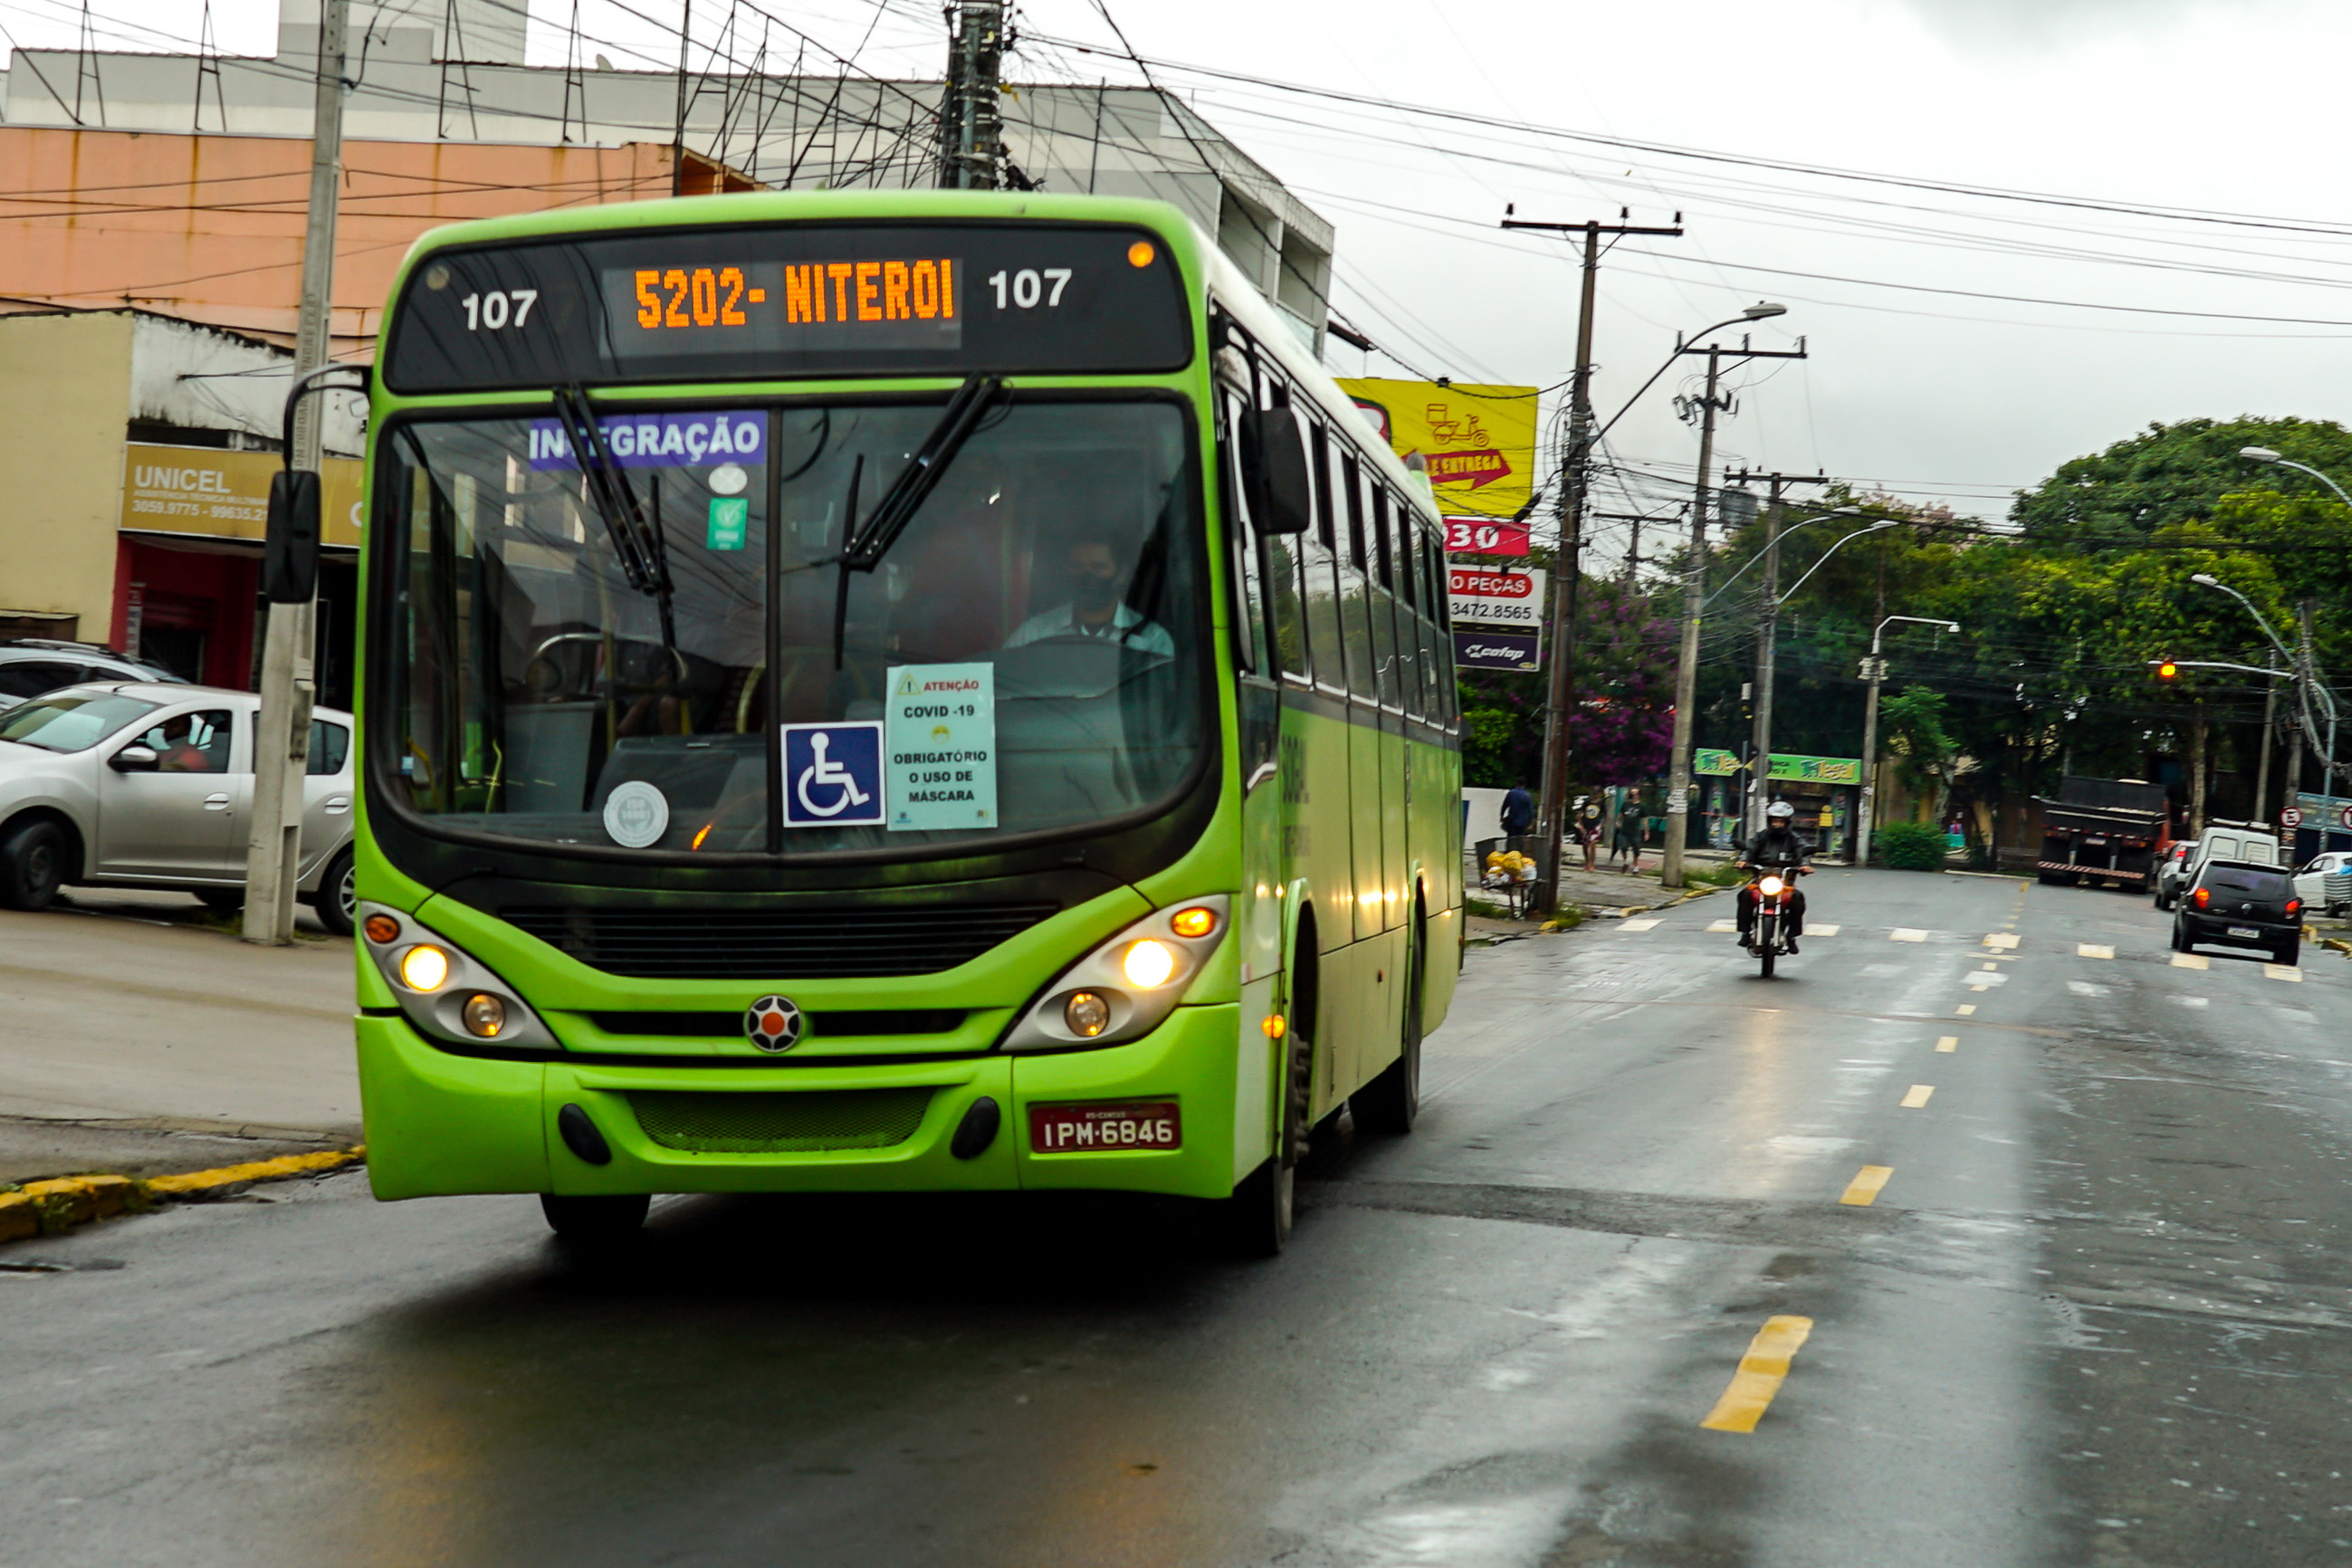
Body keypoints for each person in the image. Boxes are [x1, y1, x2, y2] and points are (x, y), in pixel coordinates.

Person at [1007, 533, 1174, 655]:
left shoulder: (1152, 640)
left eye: (1098, 568)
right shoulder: (1034, 634)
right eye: (1077, 567)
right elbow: (991, 687)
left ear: (1121, 574)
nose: (1087, 577)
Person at [1735, 799, 1812, 951]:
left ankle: (1792, 936)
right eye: (1774, 821)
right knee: (1745, 895)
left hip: (1785, 882)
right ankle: (1745, 932)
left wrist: (1804, 865)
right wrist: (1743, 860)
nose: (1777, 824)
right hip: (1760, 879)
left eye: (1780, 821)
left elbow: (1802, 851)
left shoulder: (1794, 839)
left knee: (1797, 898)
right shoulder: (1761, 836)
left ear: (1787, 822)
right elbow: (1749, 848)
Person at [1498, 779, 1535, 856]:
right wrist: (1530, 821)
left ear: (1517, 783)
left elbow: (1505, 805)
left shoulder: (1511, 793)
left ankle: (1509, 853)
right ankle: (1518, 854)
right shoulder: (1527, 795)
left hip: (1512, 820)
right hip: (1522, 821)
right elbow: (1530, 810)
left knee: (1510, 838)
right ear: (1525, 785)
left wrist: (1502, 815)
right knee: (1520, 839)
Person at [1611, 799, 1645, 871]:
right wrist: (1618, 821)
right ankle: (1626, 860)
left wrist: (1646, 831)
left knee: (1636, 849)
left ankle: (1635, 865)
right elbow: (1621, 814)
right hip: (1625, 830)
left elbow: (1644, 819)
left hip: (1635, 831)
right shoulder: (1625, 804)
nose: (1634, 796)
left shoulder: (1641, 806)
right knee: (1623, 847)